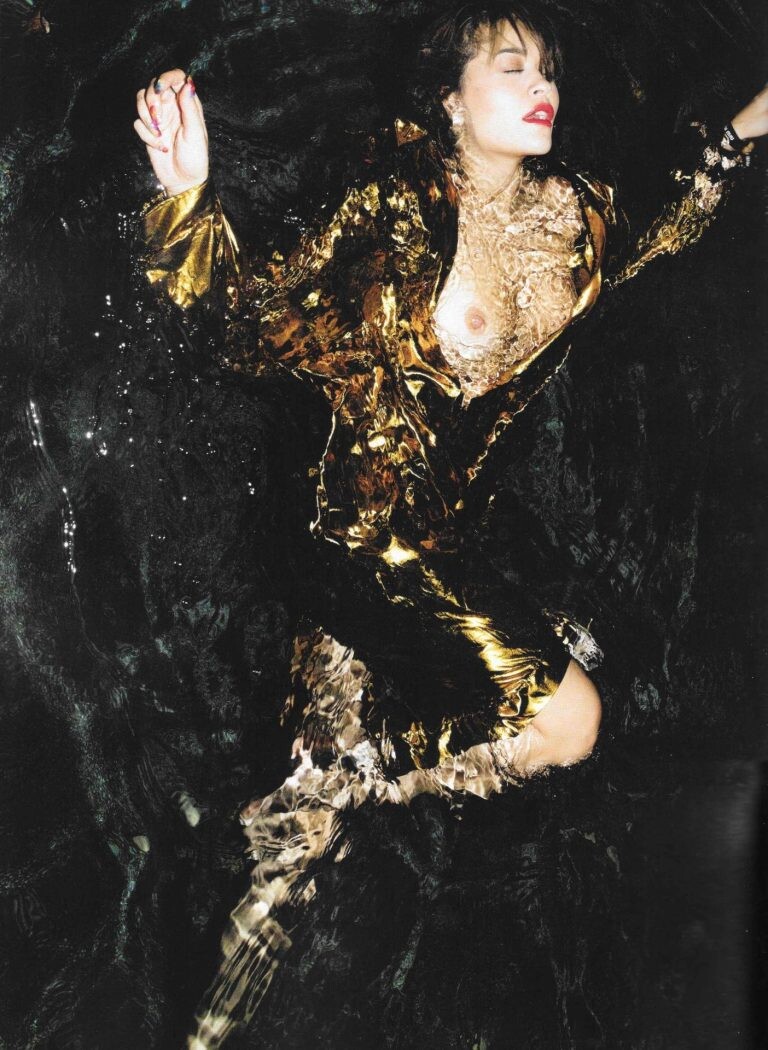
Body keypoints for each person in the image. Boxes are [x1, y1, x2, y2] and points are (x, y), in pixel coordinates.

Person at [133, 4, 767, 1045]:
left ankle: (205, 1027)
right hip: (348, 524)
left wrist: (748, 123)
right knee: (568, 722)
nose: (540, 84)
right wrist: (188, 199)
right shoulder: (392, 203)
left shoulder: (575, 215)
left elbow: (670, 205)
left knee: (298, 844)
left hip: (439, 525)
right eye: (509, 66)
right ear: (450, 102)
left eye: (547, 67)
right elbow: (256, 319)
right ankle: (364, 774)